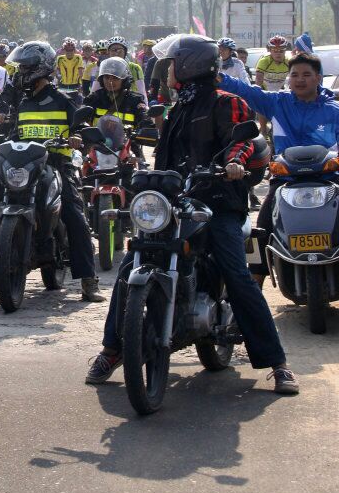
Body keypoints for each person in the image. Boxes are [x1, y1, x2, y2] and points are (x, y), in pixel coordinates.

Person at [86, 34, 298, 395]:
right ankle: (113, 349)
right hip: (177, 202)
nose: (166, 71)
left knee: (236, 272)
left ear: (188, 66)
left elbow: (241, 140)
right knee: (129, 265)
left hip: (219, 202)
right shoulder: (177, 108)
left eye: (171, 64)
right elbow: (165, 157)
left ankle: (277, 363)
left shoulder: (227, 102)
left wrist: (234, 162)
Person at [4, 41, 105, 302]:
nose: (20, 73)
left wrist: (77, 137)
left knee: (74, 214)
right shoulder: (23, 103)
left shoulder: (63, 100)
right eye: (20, 68)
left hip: (58, 165)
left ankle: (88, 279)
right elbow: (16, 134)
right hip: (27, 167)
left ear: (40, 69)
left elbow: (81, 128)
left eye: (25, 68)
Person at [218, 51, 339, 233]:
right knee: (263, 229)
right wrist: (217, 77)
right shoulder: (277, 103)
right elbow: (246, 90)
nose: (300, 80)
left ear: (318, 78)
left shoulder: (334, 111)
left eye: (306, 74)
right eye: (294, 75)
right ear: (288, 78)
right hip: (285, 180)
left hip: (329, 179)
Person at [55, 37, 84, 106]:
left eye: (71, 50)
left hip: (75, 85)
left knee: (77, 105)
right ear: (64, 50)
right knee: (62, 105)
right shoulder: (60, 58)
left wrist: (81, 84)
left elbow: (80, 72)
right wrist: (57, 79)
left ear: (74, 50)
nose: (69, 52)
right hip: (62, 85)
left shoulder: (78, 57)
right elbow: (56, 71)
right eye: (67, 50)